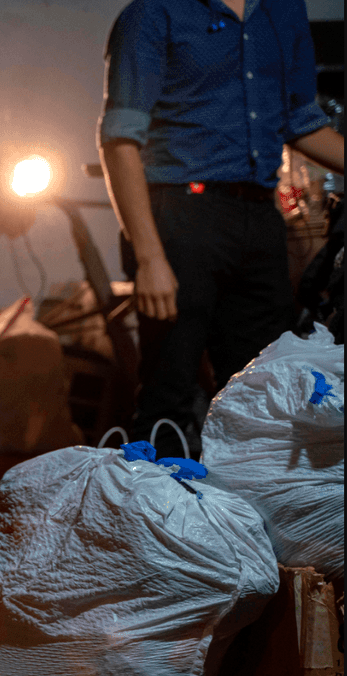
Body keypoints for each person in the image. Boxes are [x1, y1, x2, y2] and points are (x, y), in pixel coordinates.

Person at [98, 0, 344, 458]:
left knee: (263, 393)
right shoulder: (154, 14)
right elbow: (119, 138)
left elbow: (302, 121)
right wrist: (150, 257)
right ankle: (158, 520)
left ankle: (244, 522)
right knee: (169, 391)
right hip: (180, 216)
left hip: (259, 217)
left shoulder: (283, 11)